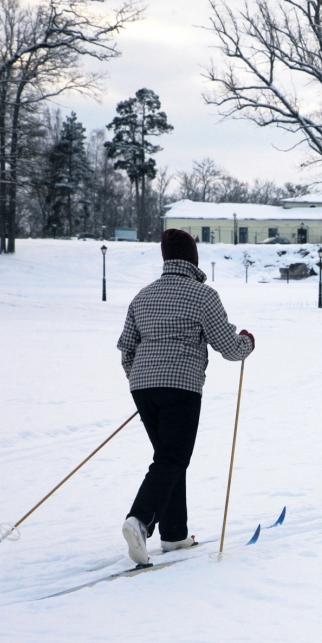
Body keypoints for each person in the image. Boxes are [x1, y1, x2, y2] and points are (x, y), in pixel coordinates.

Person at [117, 229, 255, 565]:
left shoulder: (143, 295)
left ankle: (175, 534)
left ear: (166, 258)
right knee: (173, 459)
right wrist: (247, 342)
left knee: (169, 457)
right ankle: (140, 520)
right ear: (193, 257)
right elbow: (228, 346)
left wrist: (143, 381)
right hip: (182, 386)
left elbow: (126, 349)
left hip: (143, 387)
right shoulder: (203, 295)